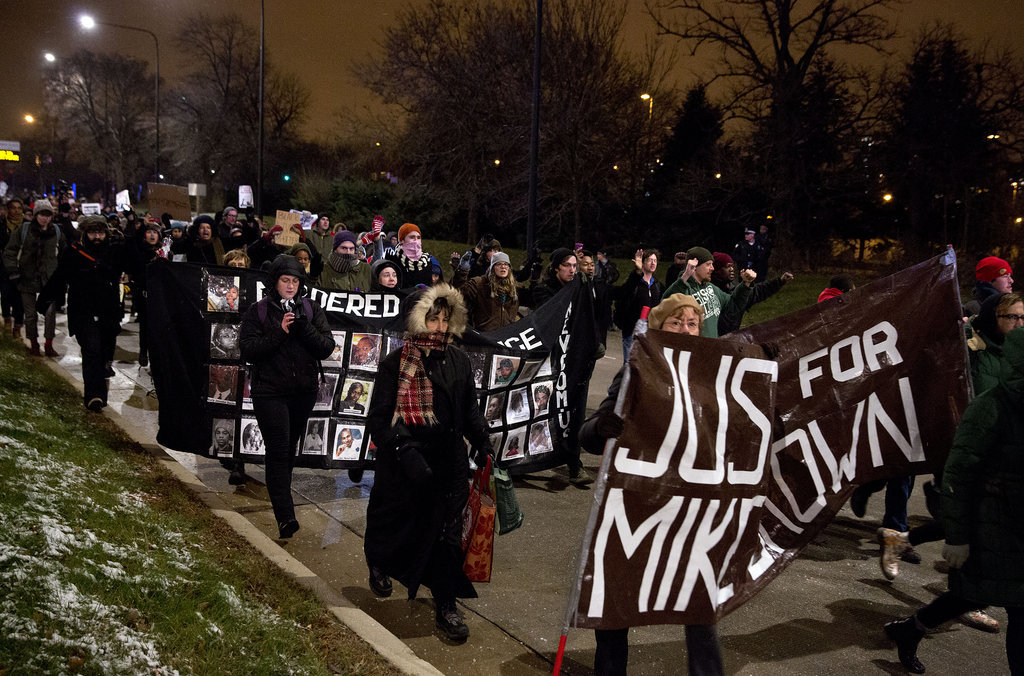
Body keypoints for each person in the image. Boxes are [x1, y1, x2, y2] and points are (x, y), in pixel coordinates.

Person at [580, 293, 724, 676]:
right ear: (658, 329)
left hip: (690, 506)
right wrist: (602, 427)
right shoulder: (634, 369)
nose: (685, 329)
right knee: (616, 597)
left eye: (692, 323)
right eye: (675, 323)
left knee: (698, 600)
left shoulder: (712, 376)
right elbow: (588, 436)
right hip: (636, 505)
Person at [884, 327, 1024, 675]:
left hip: (1017, 529)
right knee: (1016, 605)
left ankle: (910, 629)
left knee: (978, 594)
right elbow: (957, 475)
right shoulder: (992, 407)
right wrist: (958, 536)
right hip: (993, 526)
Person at [363, 284, 493, 642]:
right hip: (406, 462)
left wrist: (482, 440)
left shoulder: (459, 360)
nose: (438, 327)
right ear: (417, 320)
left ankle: (446, 605)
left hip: (448, 461)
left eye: (444, 319)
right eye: (432, 319)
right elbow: (378, 418)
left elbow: (468, 409)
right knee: (397, 523)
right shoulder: (395, 364)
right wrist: (406, 452)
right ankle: (379, 561)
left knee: (446, 535)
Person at [239, 255, 335, 539]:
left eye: (295, 281)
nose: (290, 286)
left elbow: (326, 347)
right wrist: (279, 332)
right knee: (279, 449)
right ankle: (286, 516)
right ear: (275, 282)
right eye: (285, 280)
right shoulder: (258, 311)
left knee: (288, 450)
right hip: (269, 392)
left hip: (302, 392)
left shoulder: (311, 308)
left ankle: (282, 504)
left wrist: (303, 327)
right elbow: (248, 350)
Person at [36, 216, 124, 410]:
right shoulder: (74, 253)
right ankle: (94, 397)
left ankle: (100, 392)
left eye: (100, 232)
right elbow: (59, 277)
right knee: (91, 349)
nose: (97, 237)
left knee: (104, 353)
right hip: (83, 311)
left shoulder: (113, 252)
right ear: (85, 233)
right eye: (93, 233)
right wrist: (45, 299)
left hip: (108, 313)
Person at [3, 198, 65, 356]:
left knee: (50, 314)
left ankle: (49, 343)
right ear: (36, 214)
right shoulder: (24, 230)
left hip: (50, 279)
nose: (45, 218)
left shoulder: (56, 232)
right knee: (30, 315)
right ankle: (34, 343)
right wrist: (13, 272)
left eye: (48, 215)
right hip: (27, 278)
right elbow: (9, 252)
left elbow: (65, 254)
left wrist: (62, 275)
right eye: (42, 214)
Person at [662, 246, 754, 339]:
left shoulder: (711, 288)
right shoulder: (684, 289)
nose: (712, 268)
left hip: (711, 348)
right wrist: (686, 275)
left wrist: (745, 284)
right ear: (695, 267)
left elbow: (733, 305)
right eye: (708, 264)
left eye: (712, 264)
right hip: (692, 349)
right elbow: (665, 303)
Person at [709, 251, 793, 335]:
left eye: (732, 266)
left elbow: (759, 291)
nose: (732, 269)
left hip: (731, 339)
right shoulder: (707, 293)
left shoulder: (734, 289)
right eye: (728, 266)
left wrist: (780, 281)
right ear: (717, 269)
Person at [614, 248, 662, 361]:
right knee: (630, 366)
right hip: (632, 331)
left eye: (655, 260)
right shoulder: (635, 283)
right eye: (650, 260)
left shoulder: (657, 286)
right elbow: (623, 297)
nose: (653, 263)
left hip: (649, 333)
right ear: (643, 262)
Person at [453, 251, 520, 331]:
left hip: (506, 338)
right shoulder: (479, 284)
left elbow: (532, 300)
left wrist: (534, 279)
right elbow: (459, 293)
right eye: (499, 264)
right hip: (485, 338)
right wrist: (462, 271)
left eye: (506, 264)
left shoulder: (514, 288)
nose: (503, 266)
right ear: (492, 267)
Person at [1, 197, 26, 338]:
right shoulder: (2, 225)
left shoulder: (26, 226)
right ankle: (6, 319)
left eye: (19, 208)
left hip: (21, 267)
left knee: (19, 299)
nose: (16, 211)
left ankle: (17, 326)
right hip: (4, 267)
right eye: (13, 208)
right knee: (5, 295)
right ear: (8, 210)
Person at [385, 223, 434, 288]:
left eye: (418, 238)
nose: (416, 241)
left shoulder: (427, 261)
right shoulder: (393, 261)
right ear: (402, 240)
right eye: (412, 237)